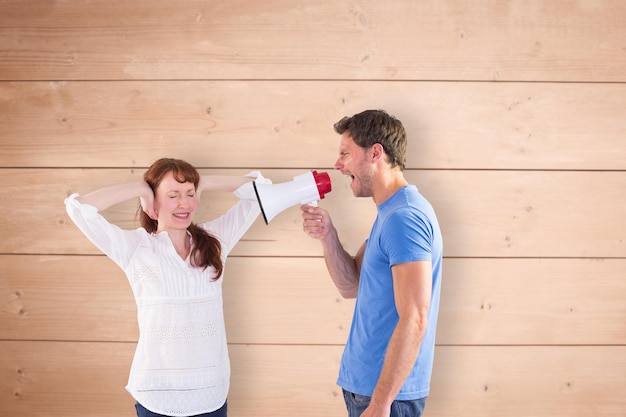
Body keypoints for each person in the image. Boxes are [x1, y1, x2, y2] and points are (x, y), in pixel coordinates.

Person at [64, 158, 270, 417]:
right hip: (156, 394)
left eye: (190, 194)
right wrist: (140, 189)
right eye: (173, 195)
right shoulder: (134, 247)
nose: (184, 204)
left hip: (210, 392)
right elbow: (78, 209)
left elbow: (261, 190)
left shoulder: (216, 240)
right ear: (153, 203)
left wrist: (202, 182)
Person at [301, 110, 443, 417]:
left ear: (375, 153)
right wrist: (328, 236)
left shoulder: (404, 219)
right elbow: (352, 285)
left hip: (386, 399)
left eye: (345, 154)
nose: (338, 165)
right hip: (368, 390)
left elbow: (416, 317)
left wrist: (380, 404)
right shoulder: (389, 214)